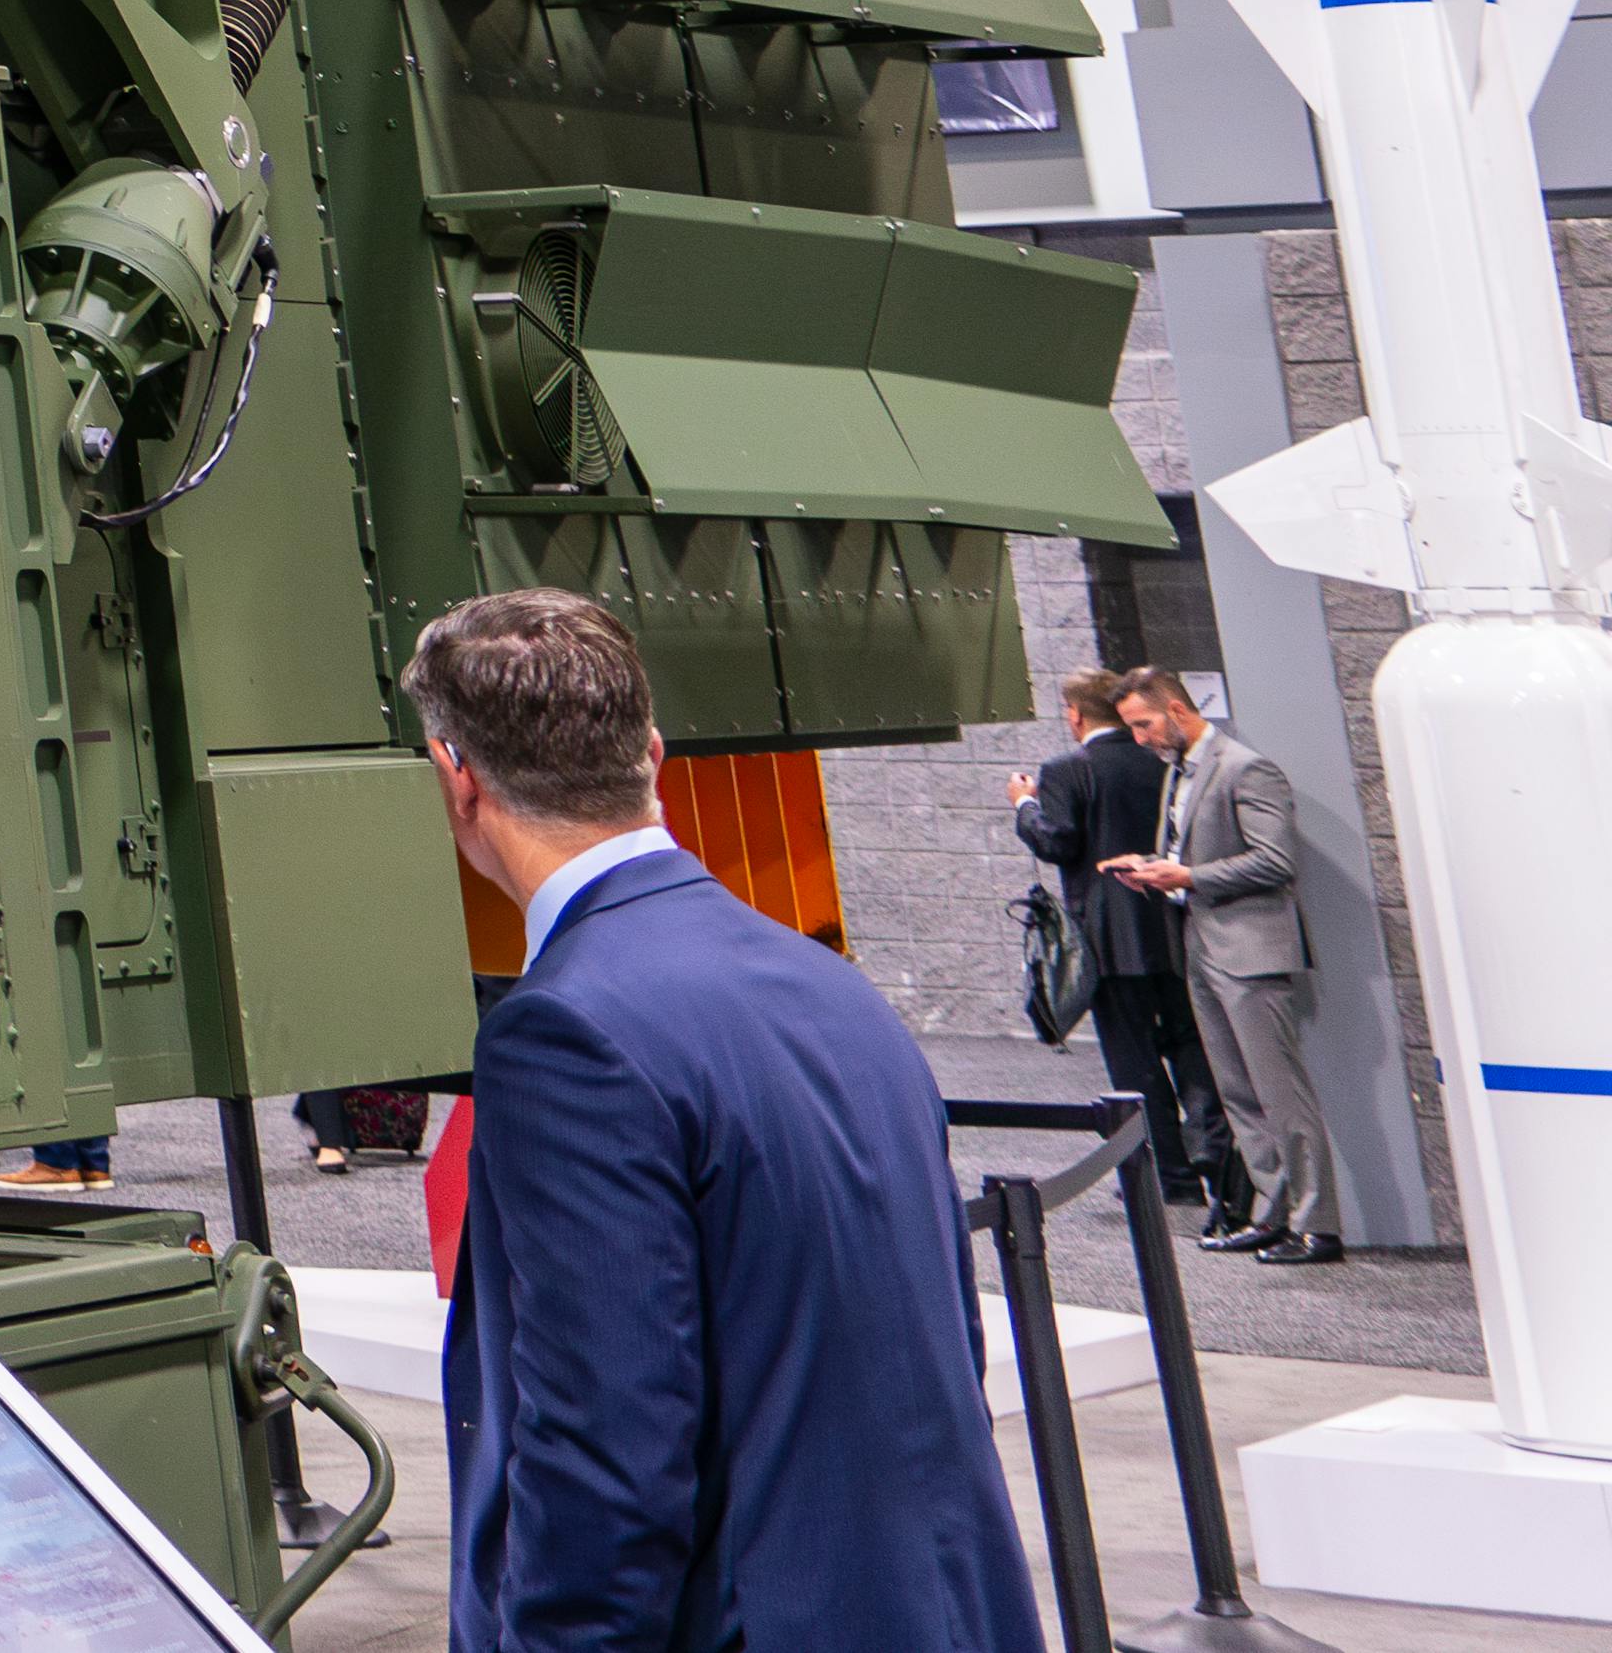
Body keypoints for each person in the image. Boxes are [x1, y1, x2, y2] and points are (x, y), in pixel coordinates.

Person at [422, 582, 1042, 1653]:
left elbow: (603, 1449)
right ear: (651, 753)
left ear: (454, 777)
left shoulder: (563, 1030)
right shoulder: (829, 984)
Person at [1105, 673, 1346, 1266]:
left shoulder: (1245, 767)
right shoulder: (1179, 771)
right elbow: (1197, 853)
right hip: (1201, 946)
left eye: (1145, 724)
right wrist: (1153, 867)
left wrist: (1188, 878)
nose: (1138, 738)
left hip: (1251, 951)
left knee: (1279, 1092)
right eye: (1132, 726)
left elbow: (1274, 860)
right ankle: (1271, 1214)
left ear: (1178, 710)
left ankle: (1319, 1226)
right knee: (1238, 1093)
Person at [1010, 666, 1242, 1225]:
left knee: (1134, 1063)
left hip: (1109, 940)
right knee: (1191, 1046)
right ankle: (1213, 1156)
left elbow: (1057, 842)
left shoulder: (1065, 769)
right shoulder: (1164, 761)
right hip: (1173, 924)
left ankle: (1174, 1180)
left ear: (1074, 713)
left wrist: (1024, 805)